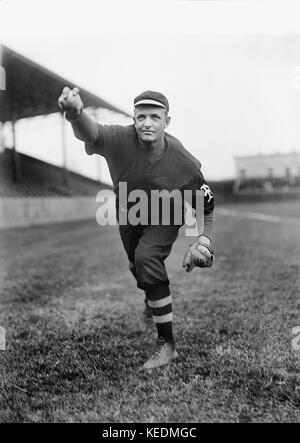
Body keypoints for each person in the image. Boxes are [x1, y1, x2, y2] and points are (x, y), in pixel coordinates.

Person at [58, 88, 215, 370]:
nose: (147, 123)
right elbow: (91, 134)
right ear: (133, 118)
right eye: (141, 116)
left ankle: (167, 345)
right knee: (136, 263)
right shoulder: (121, 139)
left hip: (167, 212)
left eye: (155, 117)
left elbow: (206, 206)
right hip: (129, 211)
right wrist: (75, 114)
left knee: (146, 258)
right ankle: (150, 294)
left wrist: (203, 239)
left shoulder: (183, 162)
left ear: (167, 122)